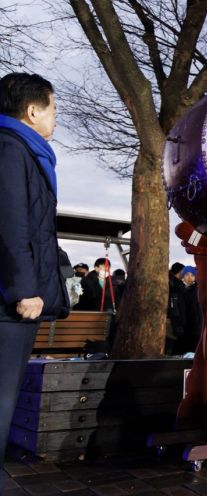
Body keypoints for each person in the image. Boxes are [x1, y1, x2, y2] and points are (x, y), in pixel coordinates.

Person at [0, 73, 69, 491]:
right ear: (32, 111)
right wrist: (24, 288)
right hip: (10, 303)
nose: (55, 118)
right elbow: (11, 225)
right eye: (53, 108)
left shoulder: (23, 150)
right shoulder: (11, 149)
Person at [166, 262, 186, 355]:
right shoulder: (174, 285)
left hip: (174, 317)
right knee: (171, 342)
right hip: (175, 319)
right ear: (180, 271)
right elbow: (174, 304)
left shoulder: (174, 283)